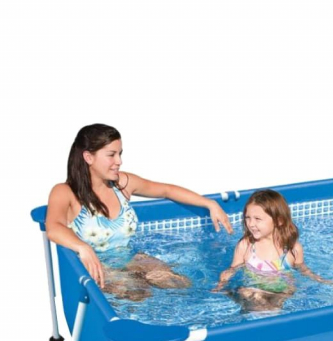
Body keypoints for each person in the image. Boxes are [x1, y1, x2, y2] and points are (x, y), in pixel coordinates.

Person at [46, 124, 233, 299]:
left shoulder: (122, 183)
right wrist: (83, 248)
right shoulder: (65, 192)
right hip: (98, 266)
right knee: (138, 292)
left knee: (180, 283)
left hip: (130, 258)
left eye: (120, 154)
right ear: (88, 157)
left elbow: (166, 190)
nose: (119, 161)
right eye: (111, 155)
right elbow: (53, 227)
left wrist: (209, 204)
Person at [214, 189, 331, 310]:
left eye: (257, 219)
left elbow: (303, 269)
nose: (251, 224)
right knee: (246, 292)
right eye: (248, 218)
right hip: (254, 290)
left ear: (279, 221)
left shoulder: (293, 249)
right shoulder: (245, 246)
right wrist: (223, 281)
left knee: (276, 297)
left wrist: (320, 280)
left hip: (281, 293)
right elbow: (233, 268)